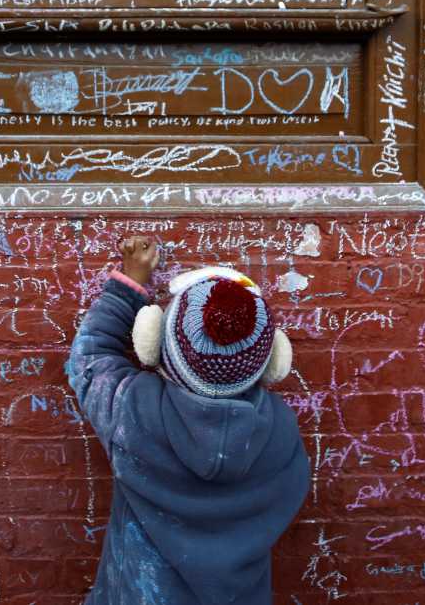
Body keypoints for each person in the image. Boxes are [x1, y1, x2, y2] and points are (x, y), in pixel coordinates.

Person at [67, 235, 310, 604]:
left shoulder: (134, 413)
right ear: (274, 359)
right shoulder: (281, 433)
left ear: (154, 342)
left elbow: (89, 357)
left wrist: (127, 285)